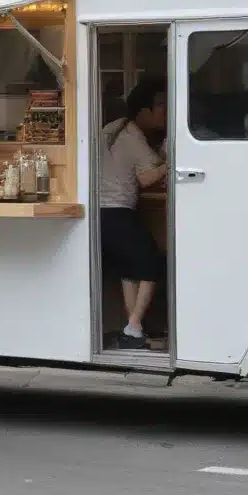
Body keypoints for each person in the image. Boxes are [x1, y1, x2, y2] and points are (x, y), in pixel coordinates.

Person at [99, 77, 168, 350]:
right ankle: (134, 326)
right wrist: (172, 161)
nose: (165, 111)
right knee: (151, 262)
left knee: (130, 267)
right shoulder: (132, 136)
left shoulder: (111, 129)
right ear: (144, 111)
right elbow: (147, 178)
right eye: (161, 106)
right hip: (117, 212)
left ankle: (133, 329)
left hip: (100, 215)